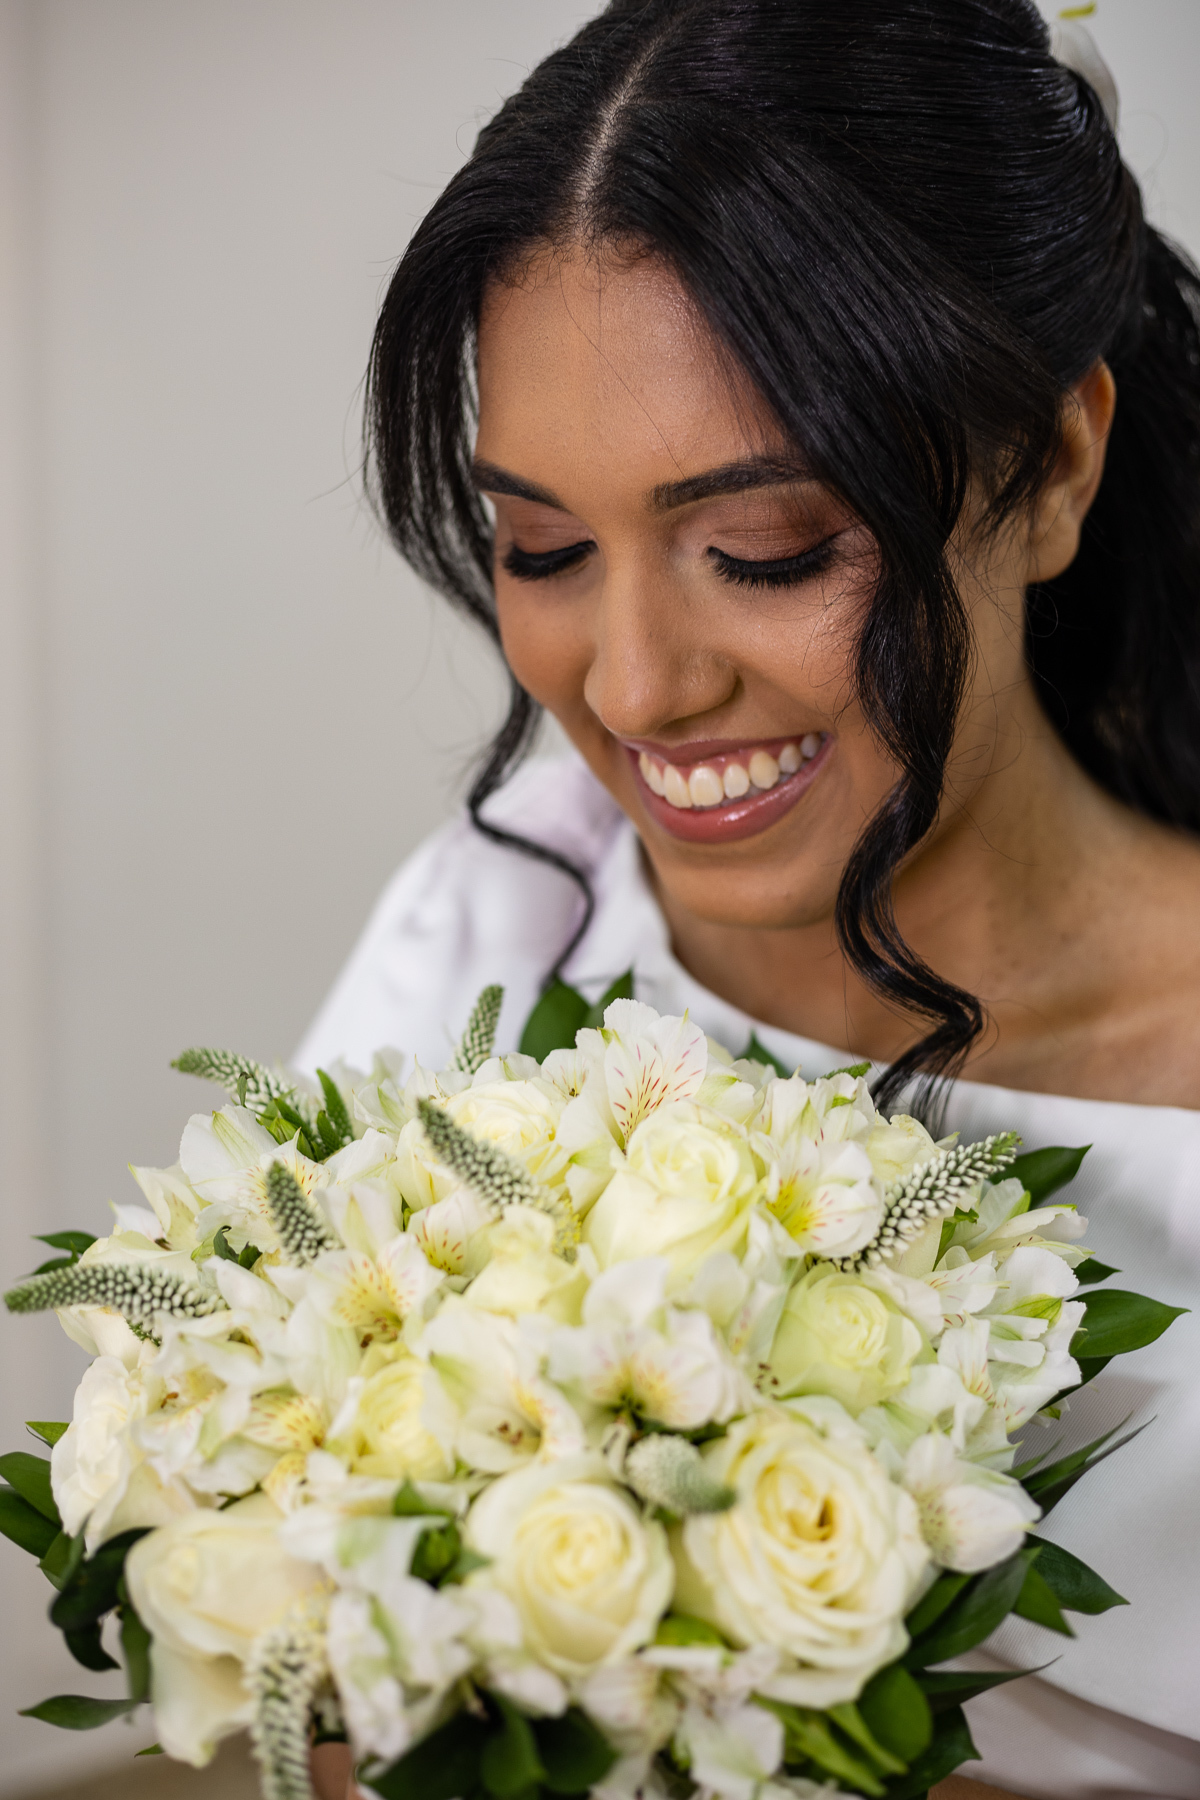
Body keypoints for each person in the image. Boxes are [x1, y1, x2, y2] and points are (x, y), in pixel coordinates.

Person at [300, 3, 1200, 1794]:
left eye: (767, 550)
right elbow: (327, 1669)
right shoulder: (513, 905)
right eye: (542, 547)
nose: (631, 692)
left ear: (1055, 465)